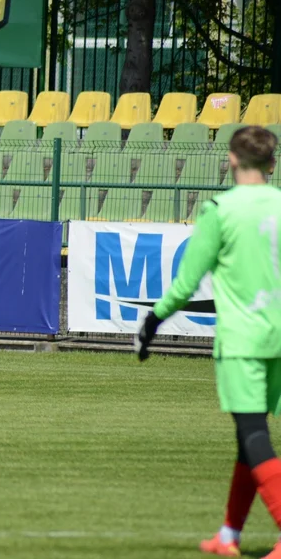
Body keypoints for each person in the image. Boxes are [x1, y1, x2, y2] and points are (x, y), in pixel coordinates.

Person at [136, 126, 281, 557]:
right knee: (246, 437)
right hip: (279, 335)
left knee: (254, 434)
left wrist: (153, 320)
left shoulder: (220, 209)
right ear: (272, 165)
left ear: (232, 161)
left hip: (243, 340)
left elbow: (185, 281)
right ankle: (229, 536)